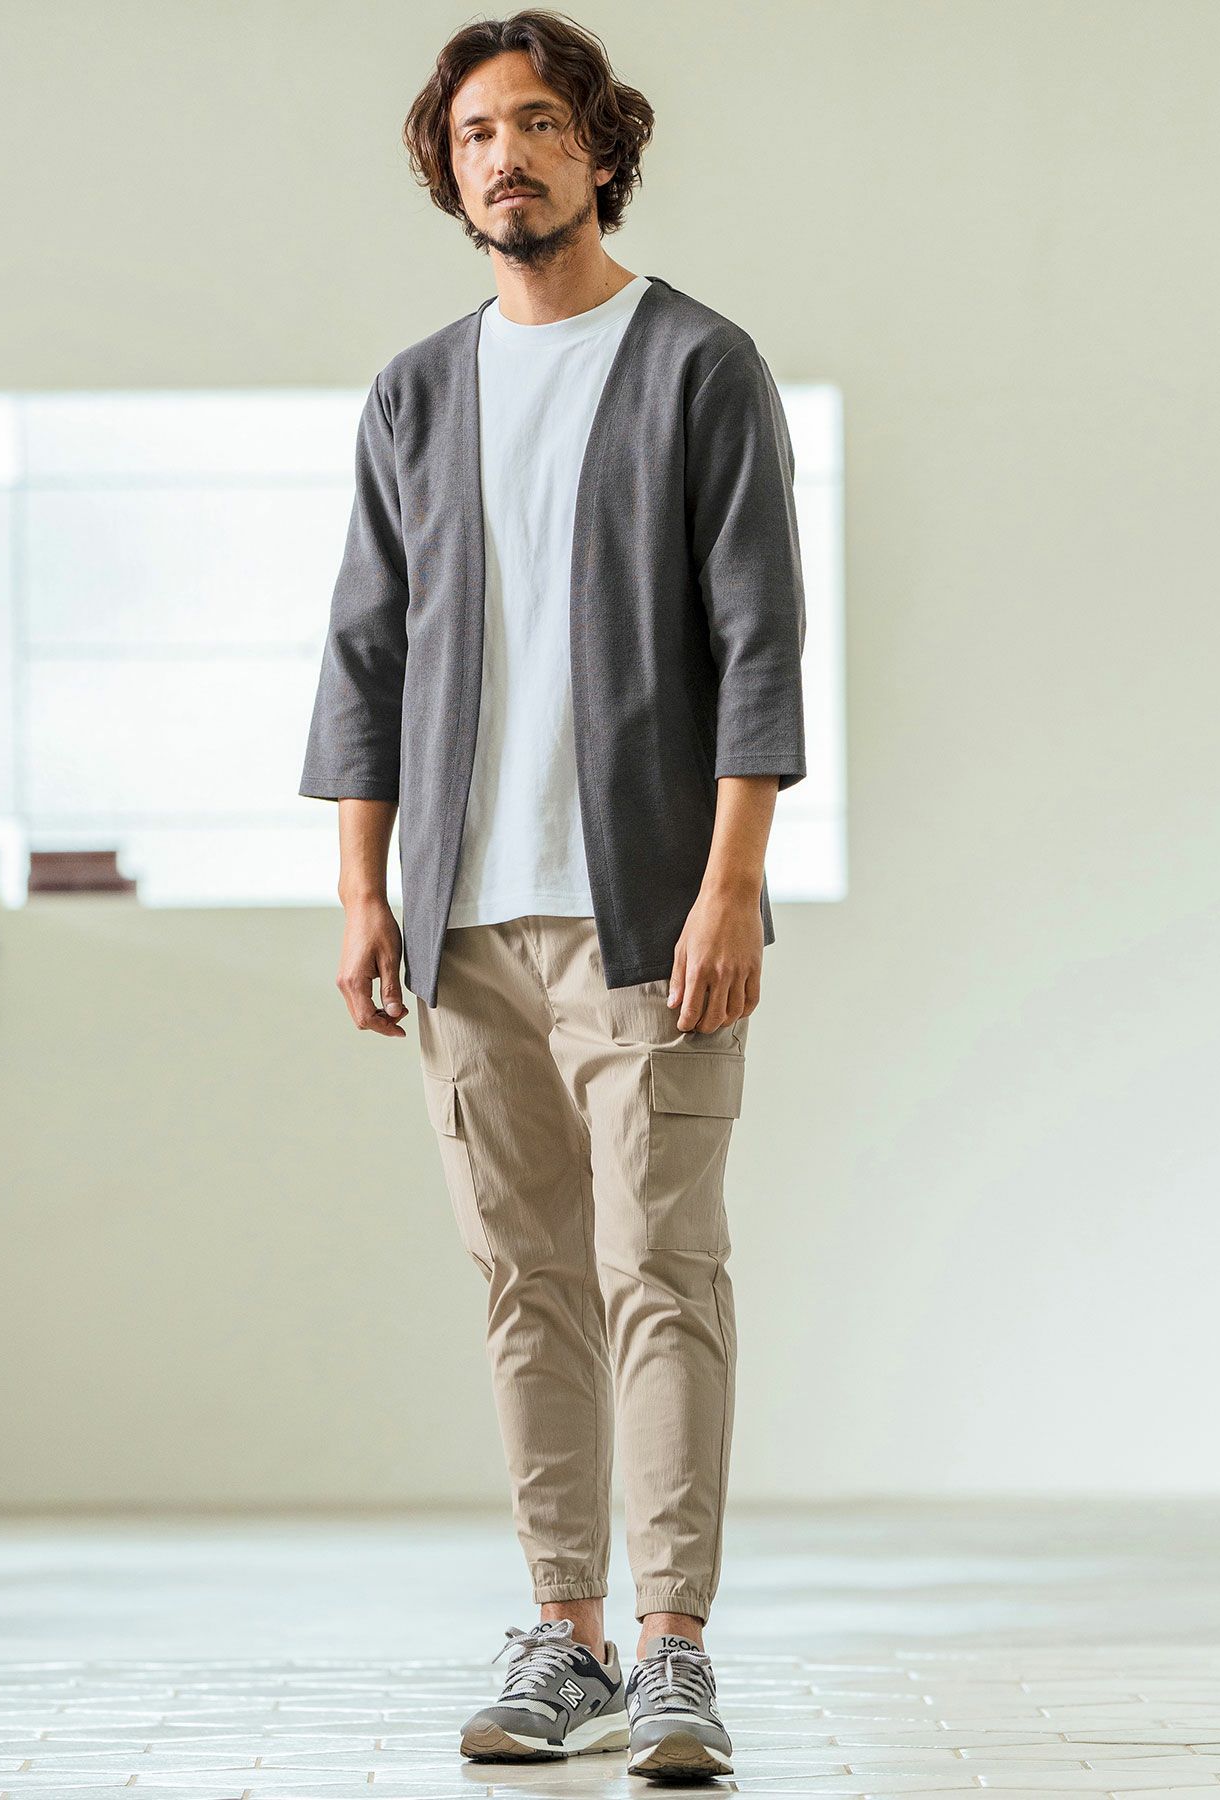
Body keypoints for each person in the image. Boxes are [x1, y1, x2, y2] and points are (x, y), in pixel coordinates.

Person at [299, 8, 807, 1781]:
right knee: (526, 1281)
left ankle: (675, 1653)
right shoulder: (416, 394)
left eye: (532, 124)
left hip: (647, 909)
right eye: (471, 137)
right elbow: (365, 654)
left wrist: (731, 884)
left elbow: (759, 644)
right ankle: (565, 1637)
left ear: (600, 146)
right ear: (448, 177)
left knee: (659, 1268)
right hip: (459, 923)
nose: (501, 158)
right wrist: (364, 891)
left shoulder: (698, 366)